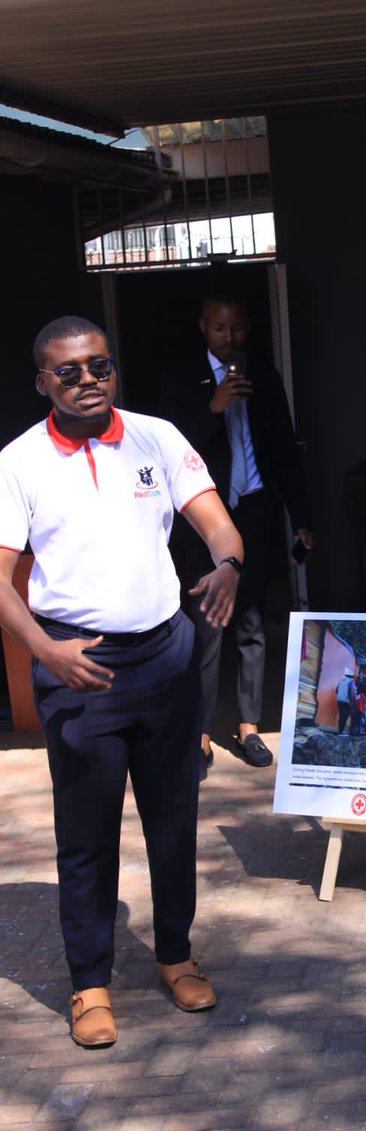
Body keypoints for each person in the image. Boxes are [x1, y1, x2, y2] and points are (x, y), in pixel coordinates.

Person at [0, 316, 244, 1048]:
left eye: (98, 367)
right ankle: (90, 985)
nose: (86, 381)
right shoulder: (19, 462)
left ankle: (175, 955)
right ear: (42, 380)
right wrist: (46, 650)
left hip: (166, 658)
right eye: (67, 371)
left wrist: (228, 566)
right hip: (81, 670)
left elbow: (219, 528)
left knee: (172, 823)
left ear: (114, 370)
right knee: (87, 835)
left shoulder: (157, 438)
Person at [159, 295, 312, 777]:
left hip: (257, 512)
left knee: (252, 622)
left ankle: (249, 726)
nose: (230, 339)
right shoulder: (181, 380)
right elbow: (170, 448)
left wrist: (300, 516)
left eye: (238, 329)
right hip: (207, 522)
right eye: (221, 329)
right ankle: (201, 734)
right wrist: (214, 405)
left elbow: (285, 449)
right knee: (206, 629)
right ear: (203, 328)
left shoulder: (264, 378)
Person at [336, 668, 354, 735]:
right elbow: (350, 692)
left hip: (339, 700)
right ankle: (341, 731)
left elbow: (336, 690)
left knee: (341, 716)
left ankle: (339, 730)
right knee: (345, 716)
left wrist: (340, 695)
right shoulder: (350, 681)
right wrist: (351, 702)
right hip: (346, 702)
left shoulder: (340, 680)